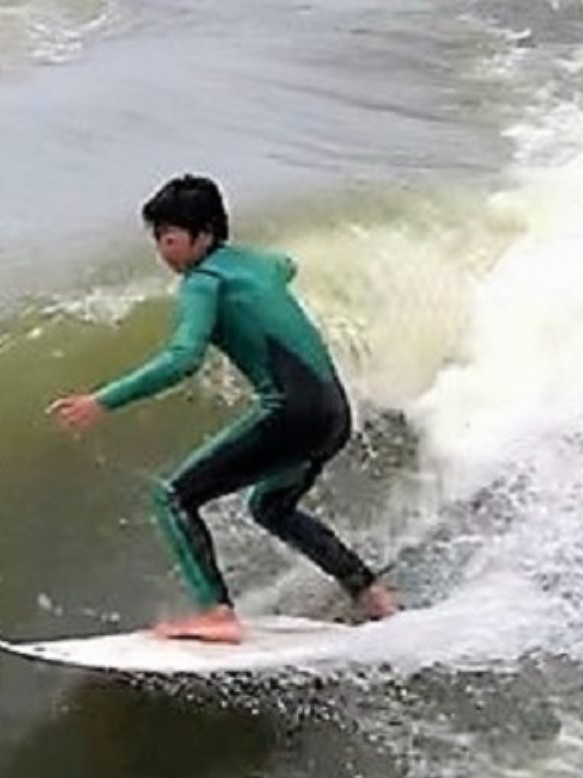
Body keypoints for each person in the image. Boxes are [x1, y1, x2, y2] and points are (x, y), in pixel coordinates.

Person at [47, 174, 398, 643]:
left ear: (204, 235)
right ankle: (371, 593)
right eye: (157, 238)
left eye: (169, 238)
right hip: (334, 413)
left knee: (174, 498)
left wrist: (103, 401)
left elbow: (183, 358)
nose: (162, 251)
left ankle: (216, 614)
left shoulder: (202, 282)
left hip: (291, 415)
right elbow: (286, 264)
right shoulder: (258, 265)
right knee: (271, 506)